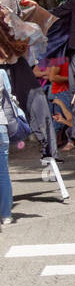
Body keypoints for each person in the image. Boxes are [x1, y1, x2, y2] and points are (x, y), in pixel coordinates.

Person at [0, 64, 16, 227]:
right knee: (3, 174)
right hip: (1, 126)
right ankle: (6, 215)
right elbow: (9, 97)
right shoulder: (2, 73)